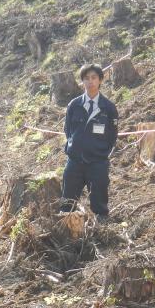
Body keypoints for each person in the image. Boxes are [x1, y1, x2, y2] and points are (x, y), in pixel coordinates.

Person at [61, 64, 119, 221]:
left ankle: (101, 232)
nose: (90, 82)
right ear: (82, 81)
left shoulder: (108, 108)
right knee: (67, 203)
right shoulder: (74, 105)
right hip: (75, 162)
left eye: (94, 78)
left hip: (98, 163)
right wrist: (76, 146)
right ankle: (67, 232)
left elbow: (112, 135)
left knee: (99, 204)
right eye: (86, 78)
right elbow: (68, 130)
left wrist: (100, 152)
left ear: (100, 80)